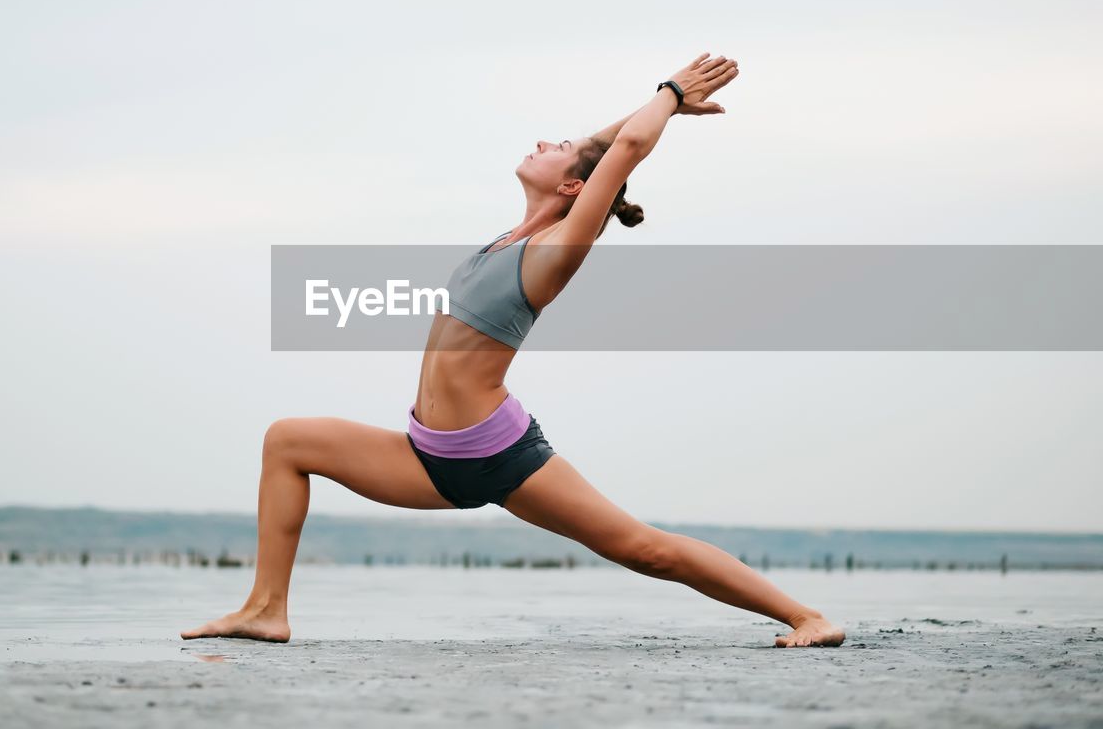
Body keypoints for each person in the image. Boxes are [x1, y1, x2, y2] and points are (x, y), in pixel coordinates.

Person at [181, 52, 845, 648]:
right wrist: (640, 112)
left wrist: (670, 91)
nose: (545, 141)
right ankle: (266, 607)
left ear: (572, 190)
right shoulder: (508, 236)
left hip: (498, 454)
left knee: (645, 549)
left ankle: (805, 615)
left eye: (556, 147)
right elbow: (599, 144)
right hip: (429, 455)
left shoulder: (554, 251)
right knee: (287, 441)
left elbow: (626, 148)